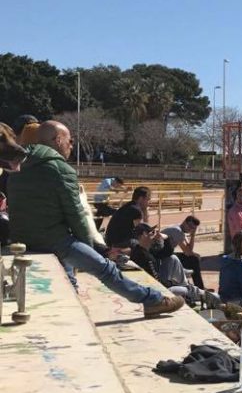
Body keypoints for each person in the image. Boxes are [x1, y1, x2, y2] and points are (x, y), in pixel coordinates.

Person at [7, 121, 183, 317]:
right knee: (106, 269)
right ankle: (153, 301)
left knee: (69, 271)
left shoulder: (17, 167)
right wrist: (95, 249)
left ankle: (71, 306)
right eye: (70, 140)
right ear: (57, 140)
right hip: (53, 239)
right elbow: (76, 215)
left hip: (22, 239)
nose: (71, 145)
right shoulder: (60, 169)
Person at [131, 223, 213, 303]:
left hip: (151, 288)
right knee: (187, 291)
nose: (155, 234)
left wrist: (166, 238)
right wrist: (171, 284)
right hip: (156, 293)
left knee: (172, 258)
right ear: (144, 235)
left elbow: (167, 253)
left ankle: (187, 287)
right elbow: (156, 283)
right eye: (152, 232)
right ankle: (209, 297)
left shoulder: (143, 249)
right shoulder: (145, 256)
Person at [162, 216, 205, 290]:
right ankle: (200, 288)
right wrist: (195, 255)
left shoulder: (182, 231)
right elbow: (187, 252)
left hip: (167, 254)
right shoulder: (177, 231)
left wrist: (193, 235)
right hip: (162, 256)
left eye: (193, 228)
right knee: (193, 259)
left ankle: (199, 287)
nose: (190, 229)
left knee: (193, 258)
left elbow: (189, 249)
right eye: (190, 226)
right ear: (185, 222)